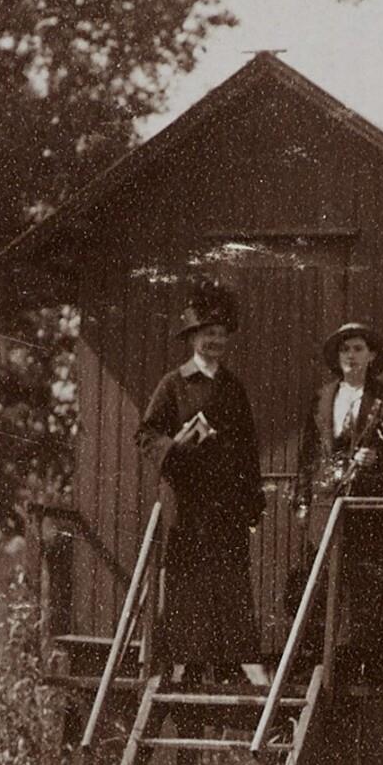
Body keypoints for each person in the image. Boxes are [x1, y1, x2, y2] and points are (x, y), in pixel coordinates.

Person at [133, 281, 264, 687]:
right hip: (187, 504)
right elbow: (146, 434)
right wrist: (175, 448)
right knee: (187, 583)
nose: (215, 342)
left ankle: (233, 663)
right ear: (192, 339)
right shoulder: (173, 384)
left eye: (221, 335)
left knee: (230, 583)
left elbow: (248, 448)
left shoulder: (233, 388)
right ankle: (187, 663)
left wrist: (251, 500)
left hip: (226, 506)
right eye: (208, 334)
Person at [298, 320, 383, 660]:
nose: (350, 356)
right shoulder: (322, 398)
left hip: (372, 504)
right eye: (345, 350)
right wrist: (302, 501)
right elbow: (308, 454)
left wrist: (378, 455)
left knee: (371, 584)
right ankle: (322, 659)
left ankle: (366, 660)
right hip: (330, 503)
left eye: (357, 349)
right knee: (325, 580)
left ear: (371, 356)